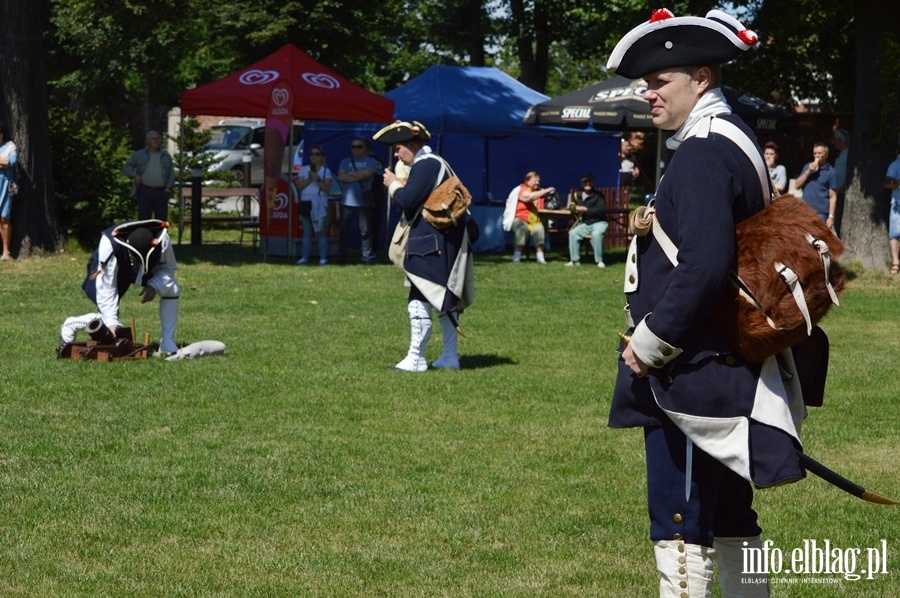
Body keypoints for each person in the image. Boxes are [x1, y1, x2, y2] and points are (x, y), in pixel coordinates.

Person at [607, 8, 804, 596]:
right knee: (730, 516)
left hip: (692, 366)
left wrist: (650, 344)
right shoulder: (733, 138)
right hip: (722, 359)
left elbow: (706, 265)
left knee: (681, 521)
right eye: (646, 85)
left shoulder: (701, 152)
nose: (648, 95)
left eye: (659, 82)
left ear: (701, 78)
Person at [375, 120, 474, 372]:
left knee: (419, 297)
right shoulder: (438, 163)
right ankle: (450, 357)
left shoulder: (426, 164)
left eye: (399, 148)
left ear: (412, 144)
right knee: (445, 300)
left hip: (429, 242)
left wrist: (393, 184)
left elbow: (408, 200)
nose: (397, 154)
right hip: (444, 240)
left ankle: (416, 359)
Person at [59, 220, 180, 355]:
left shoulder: (162, 239)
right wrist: (112, 325)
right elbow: (106, 290)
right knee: (108, 317)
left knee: (172, 288)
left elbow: (169, 269)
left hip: (144, 268)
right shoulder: (110, 244)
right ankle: (72, 324)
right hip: (114, 268)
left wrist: (154, 286)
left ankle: (168, 343)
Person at [337, 137, 383, 264]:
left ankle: (367, 257)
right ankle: (342, 257)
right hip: (347, 201)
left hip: (364, 201)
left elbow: (367, 174)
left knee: (366, 231)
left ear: (365, 148)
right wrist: (360, 175)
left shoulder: (371, 161)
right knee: (344, 231)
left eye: (359, 146)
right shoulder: (344, 161)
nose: (356, 149)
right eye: (353, 147)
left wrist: (349, 175)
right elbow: (341, 177)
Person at [292, 145, 333, 265]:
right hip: (306, 202)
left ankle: (323, 258)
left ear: (321, 157)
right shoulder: (304, 169)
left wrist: (318, 179)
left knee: (320, 232)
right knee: (307, 231)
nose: (314, 157)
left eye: (317, 154)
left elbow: (326, 189)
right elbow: (300, 187)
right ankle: (305, 257)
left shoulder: (326, 171)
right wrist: (309, 179)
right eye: (312, 154)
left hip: (320, 203)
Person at [123, 130, 176, 221]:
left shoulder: (165, 156)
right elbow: (127, 167)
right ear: (148, 141)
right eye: (153, 139)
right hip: (145, 191)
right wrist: (135, 176)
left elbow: (171, 173)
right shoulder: (140, 155)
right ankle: (144, 235)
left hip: (162, 192)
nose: (156, 141)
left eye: (158, 138)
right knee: (144, 219)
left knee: (161, 221)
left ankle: (161, 235)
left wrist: (169, 187)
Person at [507, 171, 556, 264]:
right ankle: (516, 257)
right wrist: (545, 191)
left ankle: (540, 257)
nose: (537, 183)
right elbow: (528, 198)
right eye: (535, 180)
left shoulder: (540, 191)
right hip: (520, 219)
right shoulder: (521, 189)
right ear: (527, 181)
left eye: (538, 181)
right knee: (522, 229)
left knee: (539, 229)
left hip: (536, 221)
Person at [565, 174, 609, 268]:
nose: (587, 184)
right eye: (585, 182)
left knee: (596, 235)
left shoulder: (598, 195)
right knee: (573, 233)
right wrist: (574, 208)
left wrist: (586, 209)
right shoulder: (577, 194)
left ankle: (599, 261)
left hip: (599, 222)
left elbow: (602, 210)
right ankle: (574, 260)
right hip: (585, 223)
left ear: (593, 183)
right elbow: (572, 206)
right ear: (582, 183)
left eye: (589, 182)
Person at [795, 141, 838, 226]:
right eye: (815, 153)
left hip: (820, 213)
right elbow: (797, 185)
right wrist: (808, 172)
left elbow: (832, 196)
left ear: (826, 155)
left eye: (819, 153)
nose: (817, 156)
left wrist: (831, 216)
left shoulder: (831, 172)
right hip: (804, 210)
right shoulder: (807, 167)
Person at [0, 123, 18, 261]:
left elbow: (11, 161)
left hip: (4, 187)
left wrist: (4, 163)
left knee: (4, 218)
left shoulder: (10, 146)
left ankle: (6, 252)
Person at [832, 128, 850, 236]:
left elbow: (849, 173)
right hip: (837, 191)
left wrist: (843, 187)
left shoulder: (848, 154)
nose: (833, 142)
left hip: (842, 192)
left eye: (834, 139)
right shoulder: (841, 154)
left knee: (839, 216)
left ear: (840, 140)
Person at [885, 153, 900, 274]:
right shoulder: (895, 165)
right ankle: (896, 262)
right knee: (895, 233)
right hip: (897, 203)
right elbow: (887, 183)